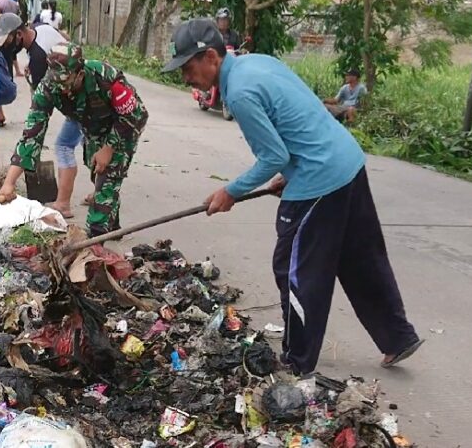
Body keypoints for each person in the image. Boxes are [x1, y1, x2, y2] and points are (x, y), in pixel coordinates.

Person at [162, 19, 423, 376]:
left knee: (295, 270)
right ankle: (398, 338)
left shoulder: (238, 92)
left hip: (320, 180)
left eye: (188, 69)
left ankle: (297, 362)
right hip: (346, 161)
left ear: (210, 57)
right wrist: (291, 171)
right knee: (361, 258)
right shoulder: (258, 62)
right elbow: (302, 115)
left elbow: (272, 156)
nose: (185, 79)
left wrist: (230, 192)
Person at [0, 43, 148, 237]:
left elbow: (136, 116)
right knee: (98, 172)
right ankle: (112, 226)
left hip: (123, 126)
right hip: (92, 129)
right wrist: (9, 182)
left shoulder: (106, 78)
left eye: (66, 83)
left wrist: (109, 148)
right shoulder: (49, 86)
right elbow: (32, 134)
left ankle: (95, 242)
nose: (62, 90)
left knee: (107, 177)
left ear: (80, 73)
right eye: (57, 83)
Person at [0, 13, 82, 217]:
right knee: (92, 147)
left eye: (9, 41)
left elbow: (43, 107)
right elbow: (66, 44)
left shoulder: (40, 58)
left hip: (80, 106)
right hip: (78, 96)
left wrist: (36, 117)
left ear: (19, 34)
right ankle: (99, 190)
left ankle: (64, 204)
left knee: (67, 146)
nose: (8, 47)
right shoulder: (42, 29)